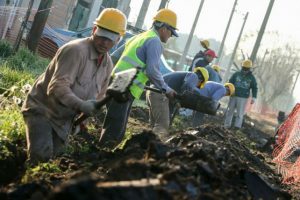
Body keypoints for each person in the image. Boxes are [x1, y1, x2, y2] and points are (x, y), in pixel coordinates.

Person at [21, 8, 127, 163]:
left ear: (118, 40)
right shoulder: (75, 50)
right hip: (42, 111)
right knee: (42, 157)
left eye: (110, 39)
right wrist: (82, 105)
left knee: (56, 161)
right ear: (94, 30)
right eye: (101, 36)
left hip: (64, 120)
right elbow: (57, 87)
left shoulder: (107, 65)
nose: (104, 42)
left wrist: (84, 119)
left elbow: (98, 97)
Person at [99, 8, 179, 148]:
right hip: (126, 84)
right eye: (171, 32)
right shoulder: (154, 42)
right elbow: (152, 71)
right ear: (164, 28)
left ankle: (102, 154)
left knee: (114, 124)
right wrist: (166, 89)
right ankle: (100, 157)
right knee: (115, 129)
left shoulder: (139, 37)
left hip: (117, 81)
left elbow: (115, 57)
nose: (170, 35)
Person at [146, 67, 209, 138]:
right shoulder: (194, 76)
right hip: (160, 94)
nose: (196, 86)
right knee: (162, 125)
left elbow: (171, 100)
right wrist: (182, 100)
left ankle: (146, 144)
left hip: (153, 91)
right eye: (198, 85)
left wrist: (176, 103)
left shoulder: (184, 75)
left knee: (154, 123)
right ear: (200, 80)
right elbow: (187, 87)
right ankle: (155, 146)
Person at [224, 59, 258, 129]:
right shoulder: (236, 74)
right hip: (233, 95)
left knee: (240, 113)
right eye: (244, 68)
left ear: (249, 69)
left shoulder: (251, 78)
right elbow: (230, 82)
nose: (245, 70)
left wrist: (254, 97)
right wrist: (227, 90)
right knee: (230, 111)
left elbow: (254, 87)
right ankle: (226, 126)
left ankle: (237, 127)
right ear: (242, 67)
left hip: (243, 98)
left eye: (247, 69)